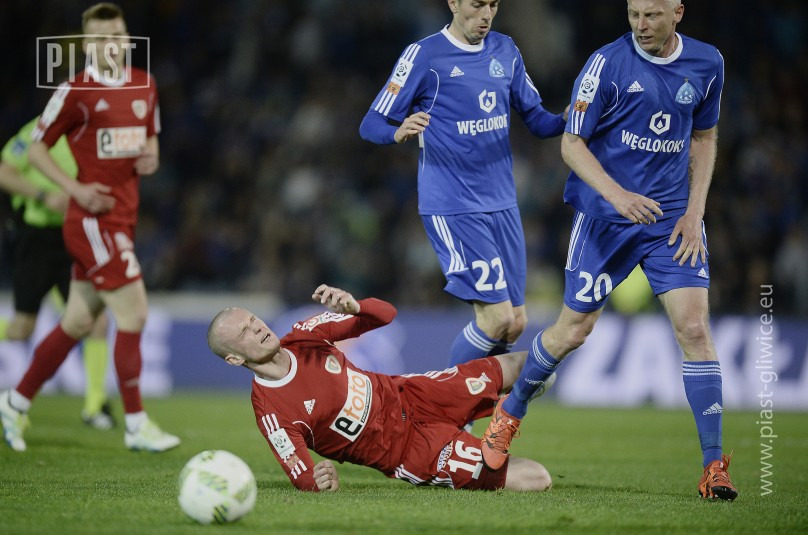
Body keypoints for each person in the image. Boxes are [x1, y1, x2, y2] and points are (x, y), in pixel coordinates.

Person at [480, 0, 737, 501]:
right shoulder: (606, 64)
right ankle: (508, 414)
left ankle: (713, 467)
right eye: (633, 14)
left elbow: (705, 136)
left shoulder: (708, 63)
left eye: (652, 15)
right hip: (605, 220)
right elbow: (571, 144)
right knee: (572, 331)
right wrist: (618, 197)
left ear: (678, 12)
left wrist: (695, 211)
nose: (641, 25)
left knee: (694, 329)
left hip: (670, 221)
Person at [0, 3, 179, 453]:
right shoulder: (74, 90)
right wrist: (75, 189)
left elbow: (150, 136)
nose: (110, 45)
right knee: (134, 314)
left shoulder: (145, 83)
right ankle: (136, 425)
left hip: (123, 218)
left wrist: (152, 156)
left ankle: (14, 403)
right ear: (87, 45)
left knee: (78, 321)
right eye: (100, 38)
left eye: (116, 35)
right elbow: (36, 150)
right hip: (92, 222)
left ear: (127, 38)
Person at [360, 0, 567, 370]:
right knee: (496, 318)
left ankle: (483, 401)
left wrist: (573, 116)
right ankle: (443, 402)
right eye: (477, 4)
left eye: (493, 4)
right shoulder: (424, 55)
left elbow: (538, 122)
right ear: (453, 3)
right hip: (454, 205)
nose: (486, 14)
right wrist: (396, 132)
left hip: (503, 203)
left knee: (515, 322)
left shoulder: (505, 49)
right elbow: (371, 123)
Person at [206, 284, 554, 492]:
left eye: (253, 320)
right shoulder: (271, 412)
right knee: (537, 478)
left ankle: (505, 410)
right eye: (245, 332)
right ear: (235, 359)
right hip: (412, 451)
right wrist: (319, 478)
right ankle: (482, 430)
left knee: (529, 365)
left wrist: (355, 307)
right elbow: (302, 475)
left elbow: (385, 314)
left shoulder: (304, 335)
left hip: (414, 394)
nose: (258, 328)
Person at [0, 118, 115, 430]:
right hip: (37, 238)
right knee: (21, 328)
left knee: (97, 321)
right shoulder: (35, 131)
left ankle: (95, 406)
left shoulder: (90, 131)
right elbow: (4, 172)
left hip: (75, 236)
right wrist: (43, 196)